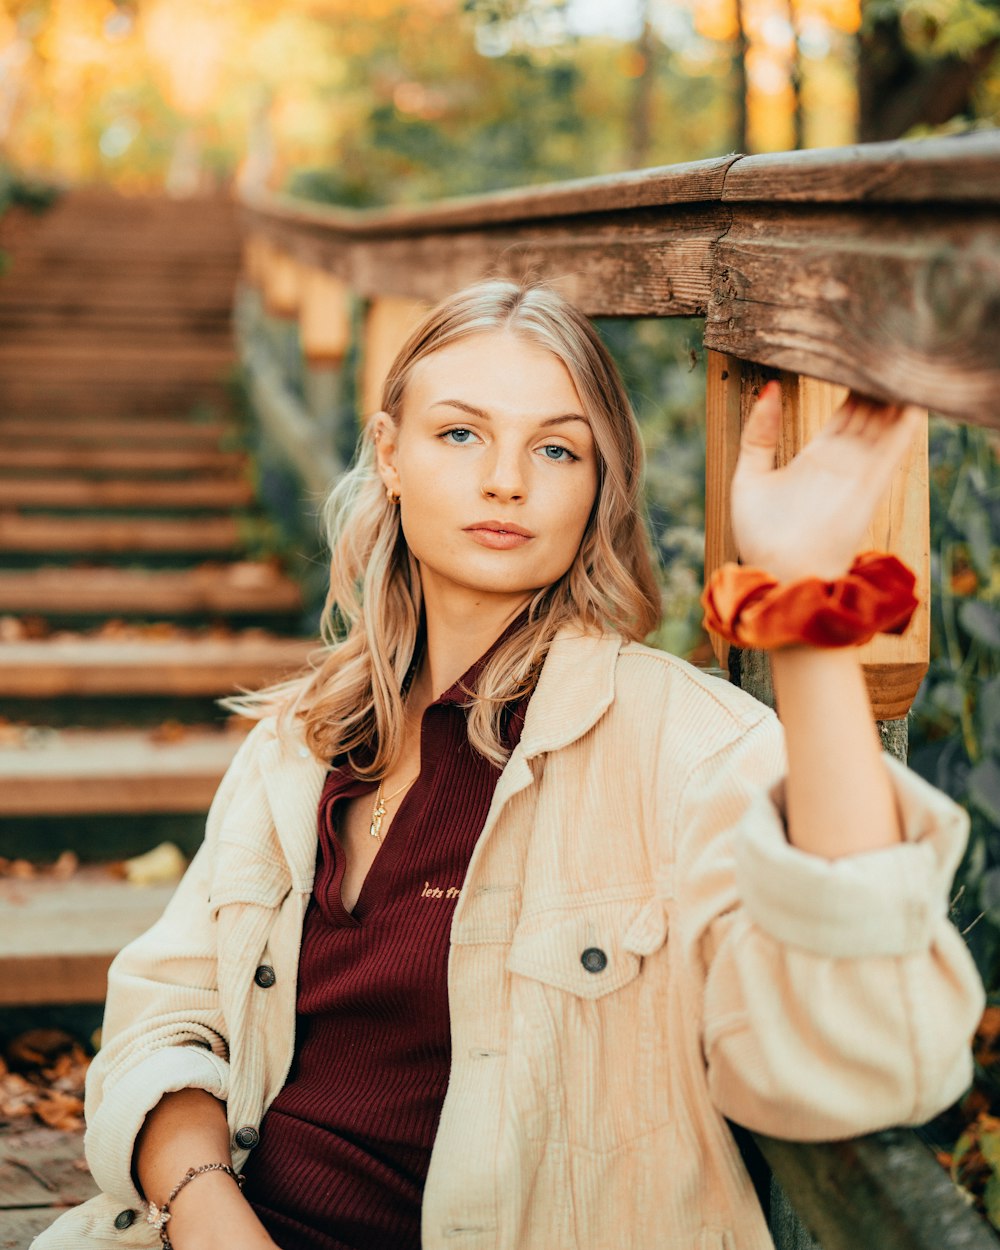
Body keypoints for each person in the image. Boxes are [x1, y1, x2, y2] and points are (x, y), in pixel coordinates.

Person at [33, 280, 984, 1250]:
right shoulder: (300, 740)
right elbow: (166, 1019)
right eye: (459, 434)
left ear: (596, 488)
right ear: (388, 453)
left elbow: (870, 1061)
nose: (506, 480)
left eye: (556, 447)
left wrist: (806, 621)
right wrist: (208, 1211)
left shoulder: (691, 748)